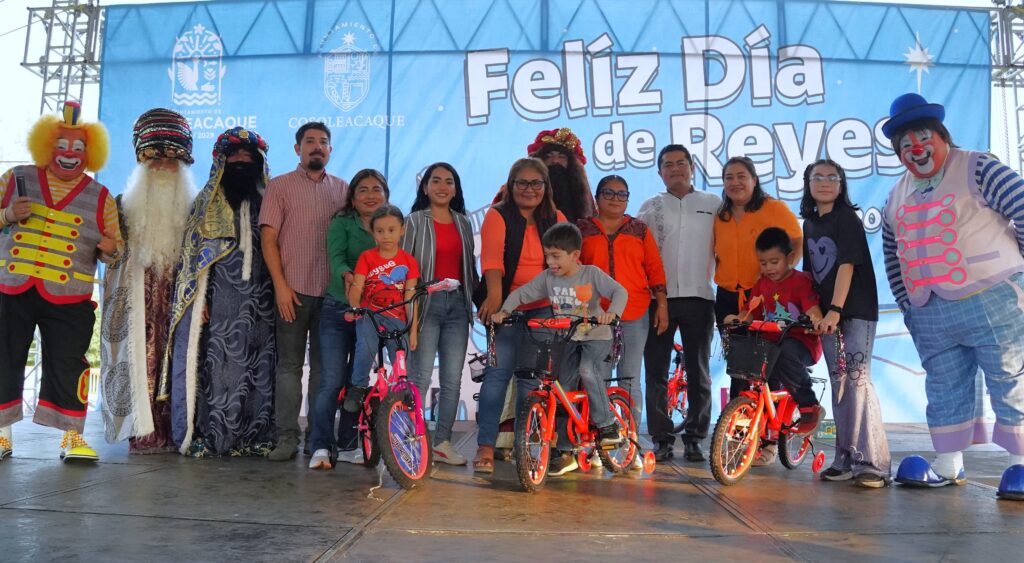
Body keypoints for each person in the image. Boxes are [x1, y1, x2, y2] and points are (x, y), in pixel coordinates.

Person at [880, 94, 1024, 500]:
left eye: (923, 139)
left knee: (1009, 379)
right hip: (930, 310)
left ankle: (1020, 464)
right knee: (943, 385)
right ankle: (948, 463)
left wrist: (1019, 276)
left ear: (942, 136)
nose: (916, 150)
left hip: (993, 298)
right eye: (905, 146)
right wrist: (907, 302)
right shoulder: (896, 194)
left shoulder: (979, 167)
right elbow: (892, 250)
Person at [0, 102, 120, 462]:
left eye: (78, 148)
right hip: (13, 288)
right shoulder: (14, 178)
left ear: (90, 153)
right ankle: (2, 434)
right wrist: (7, 214)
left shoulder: (101, 196)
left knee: (69, 363)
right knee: (4, 358)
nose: (69, 155)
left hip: (70, 296)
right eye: (62, 146)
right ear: (46, 147)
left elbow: (115, 248)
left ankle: (71, 436)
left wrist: (111, 247)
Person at [164, 127, 276, 457]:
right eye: (234, 156)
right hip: (221, 303)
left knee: (261, 370)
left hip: (264, 302)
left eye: (248, 157)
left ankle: (255, 438)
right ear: (221, 162)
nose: (242, 161)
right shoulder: (204, 205)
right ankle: (216, 438)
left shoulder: (272, 201)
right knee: (222, 372)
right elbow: (191, 260)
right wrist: (199, 301)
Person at [490, 223, 628, 475]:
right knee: (562, 389)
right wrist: (505, 311)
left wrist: (612, 313)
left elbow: (620, 291)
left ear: (575, 255)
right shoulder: (548, 278)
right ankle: (565, 448)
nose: (550, 261)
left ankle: (608, 424)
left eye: (556, 256)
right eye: (547, 255)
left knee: (587, 370)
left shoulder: (591, 274)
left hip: (596, 336)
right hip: (568, 338)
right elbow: (521, 294)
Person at [100, 108, 196, 454]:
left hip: (180, 303)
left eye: (171, 160)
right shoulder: (121, 206)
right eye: (154, 159)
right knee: (138, 363)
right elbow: (109, 258)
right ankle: (141, 431)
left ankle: (180, 430)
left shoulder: (195, 210)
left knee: (181, 364)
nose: (162, 167)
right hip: (136, 306)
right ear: (142, 161)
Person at [800, 159, 891, 488]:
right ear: (808, 183)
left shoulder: (846, 219)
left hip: (854, 312)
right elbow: (810, 274)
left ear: (841, 185)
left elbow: (847, 265)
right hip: (827, 318)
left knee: (857, 380)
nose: (824, 182)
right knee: (839, 384)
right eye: (817, 177)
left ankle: (873, 464)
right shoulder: (810, 223)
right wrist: (814, 311)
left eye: (832, 177)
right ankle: (846, 458)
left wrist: (835, 308)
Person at [473, 158, 566, 473]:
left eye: (536, 183)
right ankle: (485, 447)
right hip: (506, 307)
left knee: (530, 379)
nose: (529, 189)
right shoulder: (497, 215)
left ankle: (523, 450)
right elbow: (492, 261)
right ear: (511, 186)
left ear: (545, 188)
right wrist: (497, 300)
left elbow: (565, 265)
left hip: (542, 307)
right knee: (497, 376)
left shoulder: (557, 217)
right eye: (522, 183)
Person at [261, 122, 347, 461]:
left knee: (325, 373)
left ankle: (319, 438)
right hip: (292, 293)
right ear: (297, 149)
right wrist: (280, 286)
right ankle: (286, 438)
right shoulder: (279, 187)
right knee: (289, 367)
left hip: (332, 297)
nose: (317, 147)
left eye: (323, 142)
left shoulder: (342, 190)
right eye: (309, 141)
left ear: (330, 150)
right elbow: (268, 239)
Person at [637, 145, 720, 463]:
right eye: (668, 165)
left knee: (698, 371)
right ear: (660, 172)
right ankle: (661, 437)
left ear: (692, 168)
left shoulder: (713, 203)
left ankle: (696, 437)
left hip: (700, 297)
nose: (675, 169)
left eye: (681, 163)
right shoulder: (650, 206)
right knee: (655, 371)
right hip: (658, 300)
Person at [580, 174, 667, 469]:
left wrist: (662, 305)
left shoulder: (639, 229)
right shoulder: (583, 229)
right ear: (597, 196)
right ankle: (599, 444)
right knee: (598, 377)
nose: (615, 199)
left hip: (634, 312)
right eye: (608, 192)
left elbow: (654, 269)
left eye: (621, 194)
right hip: (595, 316)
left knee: (630, 378)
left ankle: (631, 445)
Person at [308, 169, 389, 469]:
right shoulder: (342, 222)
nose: (370, 195)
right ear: (352, 199)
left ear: (385, 194)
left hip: (372, 313)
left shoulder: (390, 225)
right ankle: (319, 446)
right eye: (363, 190)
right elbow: (336, 256)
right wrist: (346, 274)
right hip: (338, 309)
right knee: (331, 380)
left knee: (358, 381)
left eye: (376, 189)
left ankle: (347, 444)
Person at [402, 163, 478, 466]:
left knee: (452, 379)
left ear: (456, 189)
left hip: (458, 305)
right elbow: (405, 268)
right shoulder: (413, 222)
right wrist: (408, 309)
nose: (442, 186)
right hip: (425, 304)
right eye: (436, 181)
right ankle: (412, 439)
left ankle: (442, 442)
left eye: (449, 181)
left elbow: (468, 269)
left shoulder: (463, 222)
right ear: (425, 187)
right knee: (419, 377)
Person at [714, 156, 803, 406]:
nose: (735, 182)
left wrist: (783, 273)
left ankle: (769, 438)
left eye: (741, 176)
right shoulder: (721, 216)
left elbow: (797, 240)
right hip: (728, 298)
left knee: (768, 366)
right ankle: (738, 433)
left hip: (764, 297)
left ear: (754, 180)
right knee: (739, 367)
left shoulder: (773, 208)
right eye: (729, 177)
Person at [723, 227, 826, 437]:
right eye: (763, 263)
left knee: (784, 350)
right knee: (752, 356)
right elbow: (751, 312)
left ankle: (809, 406)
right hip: (771, 345)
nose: (768, 268)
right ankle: (764, 432)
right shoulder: (761, 284)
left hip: (800, 344)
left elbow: (813, 310)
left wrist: (816, 320)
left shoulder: (801, 281)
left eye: (774, 262)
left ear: (789, 258)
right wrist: (737, 319)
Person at [341, 205, 420, 413]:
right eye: (380, 231)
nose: (386, 236)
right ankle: (358, 387)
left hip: (398, 316)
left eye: (392, 230)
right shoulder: (367, 257)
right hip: (371, 314)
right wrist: (355, 307)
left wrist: (412, 331)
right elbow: (357, 287)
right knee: (365, 347)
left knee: (401, 355)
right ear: (373, 232)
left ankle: (401, 391)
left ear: (402, 230)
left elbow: (411, 297)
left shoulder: (409, 261)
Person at [526, 128, 595, 223]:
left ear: (571, 163)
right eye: (549, 156)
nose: (555, 161)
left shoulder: (583, 194)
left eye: (561, 157)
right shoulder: (521, 186)